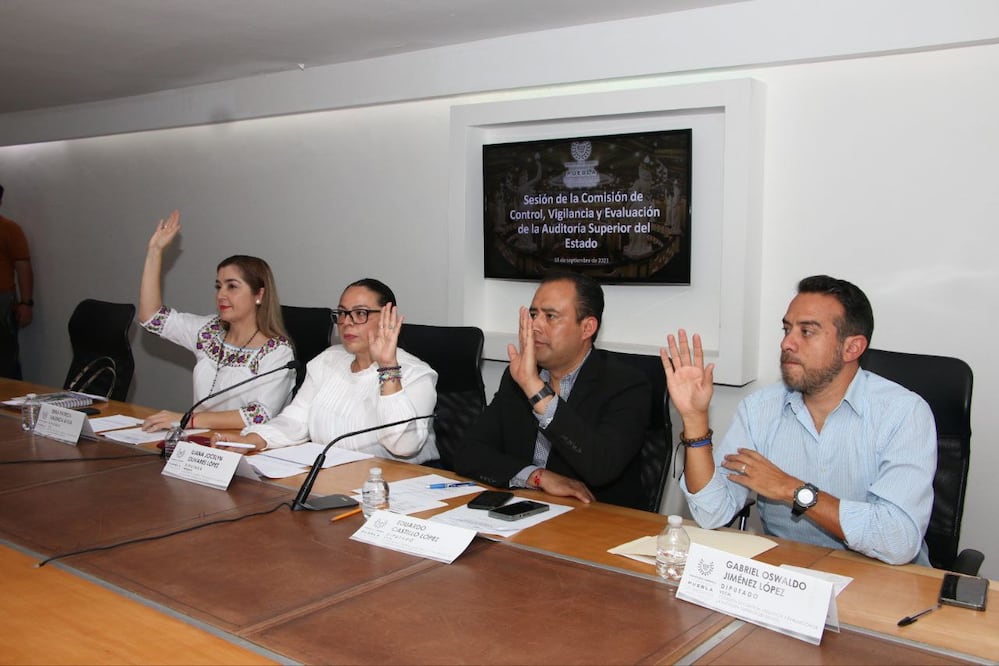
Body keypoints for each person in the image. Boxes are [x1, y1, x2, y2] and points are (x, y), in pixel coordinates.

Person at [663, 275, 936, 565]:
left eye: (806, 332)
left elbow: (898, 540)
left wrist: (792, 490)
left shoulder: (903, 413)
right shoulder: (759, 410)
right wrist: (694, 420)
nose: (786, 343)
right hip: (788, 579)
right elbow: (711, 513)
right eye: (787, 329)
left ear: (852, 348)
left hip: (884, 586)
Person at [453, 271, 651, 508]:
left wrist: (534, 388)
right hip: (525, 512)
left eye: (550, 316)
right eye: (534, 314)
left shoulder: (626, 384)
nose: (535, 325)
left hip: (595, 523)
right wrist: (537, 477)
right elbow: (468, 452)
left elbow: (601, 467)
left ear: (587, 328)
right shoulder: (517, 378)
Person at [214, 278, 440, 464]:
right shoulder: (329, 360)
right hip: (332, 481)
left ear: (388, 317)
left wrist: (388, 367)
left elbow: (403, 446)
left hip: (397, 489)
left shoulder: (417, 374)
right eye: (342, 313)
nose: (347, 322)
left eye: (360, 313)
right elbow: (295, 420)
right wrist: (252, 440)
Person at [138, 210, 296, 431]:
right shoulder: (208, 331)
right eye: (218, 286)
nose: (221, 294)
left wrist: (187, 420)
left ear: (259, 294)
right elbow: (151, 318)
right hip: (199, 444)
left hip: (245, 450)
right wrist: (155, 252)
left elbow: (258, 415)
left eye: (232, 286)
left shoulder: (277, 352)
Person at [0, 184, 33, 379]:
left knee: (5, 359)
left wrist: (26, 303)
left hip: (2, 300)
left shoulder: (9, 229)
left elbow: (23, 267)